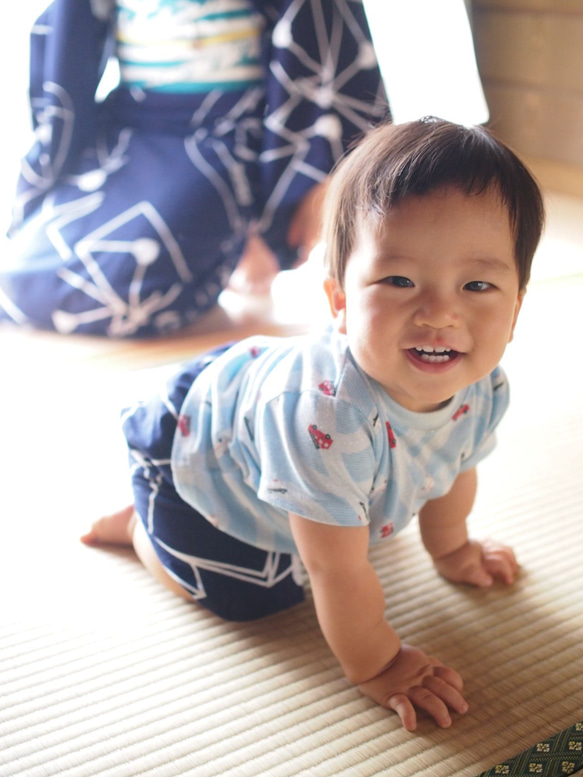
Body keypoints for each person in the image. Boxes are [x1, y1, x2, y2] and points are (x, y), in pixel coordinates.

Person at [81, 117, 545, 731]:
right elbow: (336, 570)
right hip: (201, 458)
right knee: (258, 595)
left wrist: (452, 547)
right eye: (400, 280)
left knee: (354, 536)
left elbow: (453, 469)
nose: (439, 312)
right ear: (340, 301)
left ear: (514, 310)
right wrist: (378, 665)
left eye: (478, 284)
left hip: (271, 430)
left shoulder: (482, 384)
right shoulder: (328, 417)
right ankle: (150, 528)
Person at [0, 0, 387, 337]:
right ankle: (224, 244)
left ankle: (242, 233)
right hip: (133, 124)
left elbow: (318, 31)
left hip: (227, 129)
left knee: (137, 275)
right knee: (18, 278)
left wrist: (311, 188)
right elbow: (70, 30)